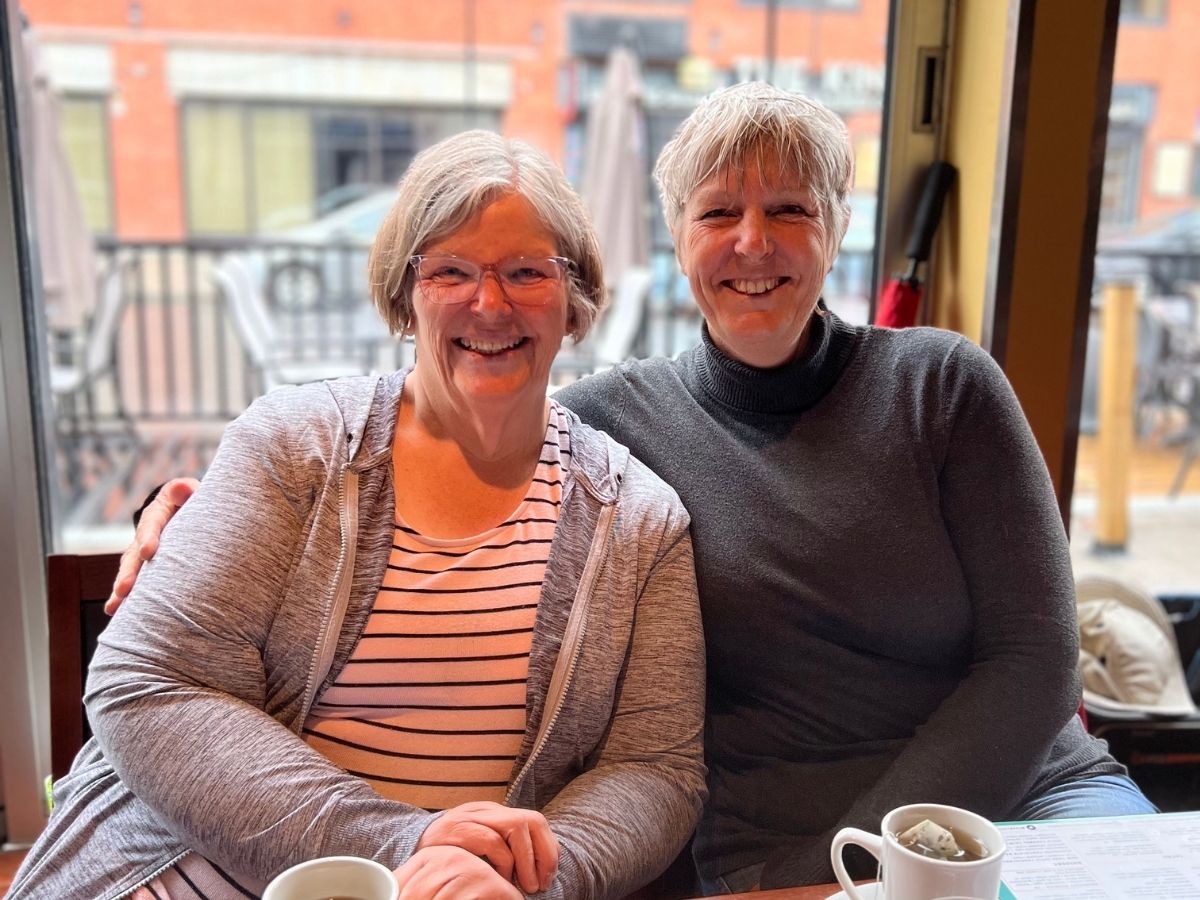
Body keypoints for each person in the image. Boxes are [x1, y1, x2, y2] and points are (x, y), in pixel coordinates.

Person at [107, 83, 1155, 893]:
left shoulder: (939, 385)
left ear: (837, 226)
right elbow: (415, 412)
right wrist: (169, 513)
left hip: (1018, 803)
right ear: (676, 237)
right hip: (782, 844)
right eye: (718, 213)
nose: (753, 242)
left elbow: (1033, 657)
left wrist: (894, 855)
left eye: (790, 208)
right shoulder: (618, 430)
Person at [11, 130, 706, 900]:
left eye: (525, 272)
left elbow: (657, 767)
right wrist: (402, 845)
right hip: (182, 872)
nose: (489, 302)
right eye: (450, 270)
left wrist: (539, 872)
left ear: (574, 300)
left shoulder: (638, 517)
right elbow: (146, 682)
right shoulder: (296, 448)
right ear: (404, 293)